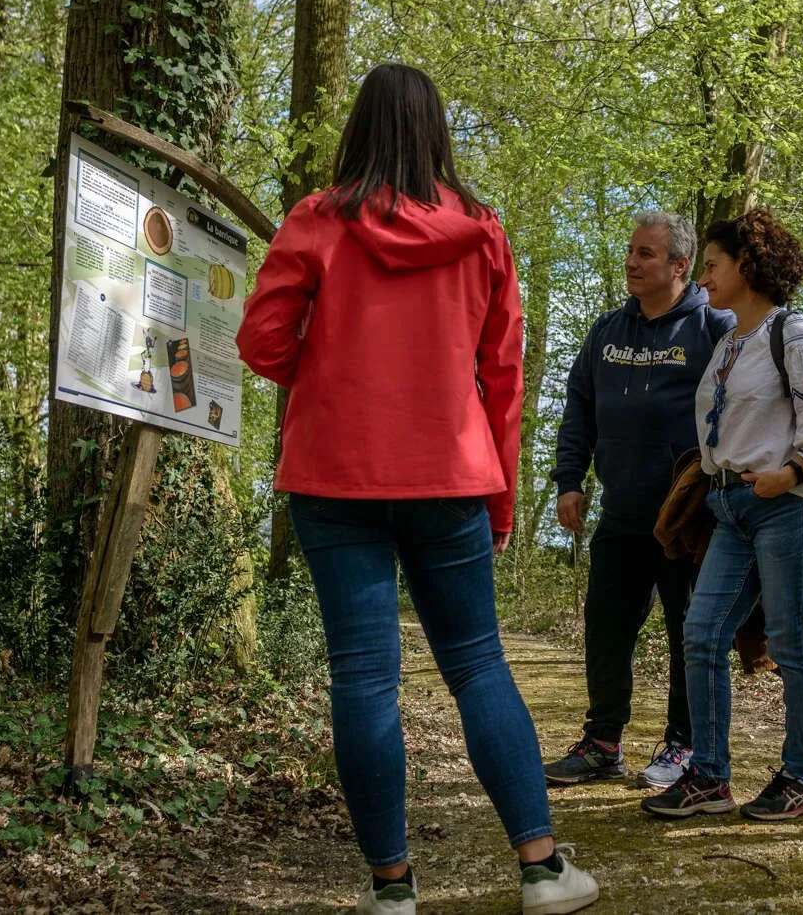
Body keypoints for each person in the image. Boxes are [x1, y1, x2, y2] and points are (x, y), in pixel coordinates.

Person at [237, 63, 598, 915]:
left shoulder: (316, 222)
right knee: (477, 664)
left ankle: (392, 890)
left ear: (358, 129)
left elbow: (260, 342)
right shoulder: (483, 232)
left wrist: (322, 369)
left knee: (363, 678)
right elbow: (502, 375)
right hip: (450, 477)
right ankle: (542, 872)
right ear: (438, 131)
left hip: (335, 477)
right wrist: (503, 499)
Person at [641, 208, 803, 822]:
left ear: (747, 267)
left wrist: (792, 471)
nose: (703, 278)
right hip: (729, 510)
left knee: (790, 642)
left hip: (792, 509)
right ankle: (709, 776)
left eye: (711, 265)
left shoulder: (798, 337)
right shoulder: (731, 342)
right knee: (701, 634)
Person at [546, 213, 734, 790]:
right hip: (621, 513)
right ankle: (603, 741)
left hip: (684, 520)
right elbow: (580, 407)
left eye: (646, 254)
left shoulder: (714, 327)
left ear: (680, 266)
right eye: (630, 251)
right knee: (606, 626)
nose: (631, 262)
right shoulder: (606, 333)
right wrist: (569, 479)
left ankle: (684, 745)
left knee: (688, 632)